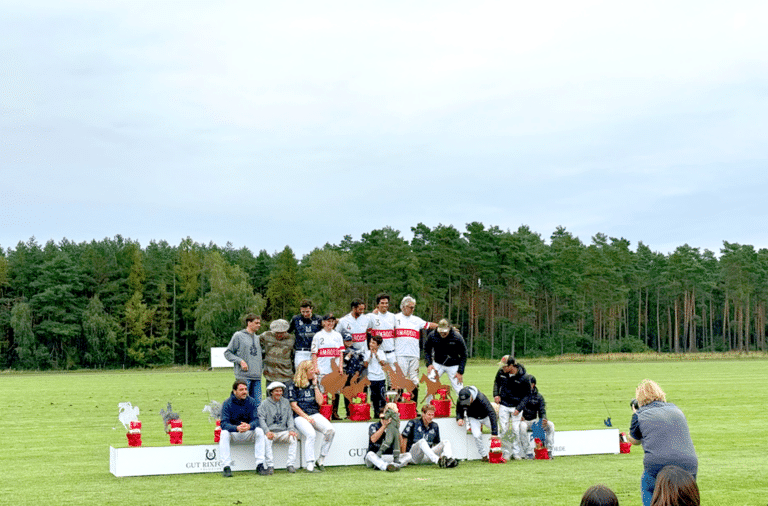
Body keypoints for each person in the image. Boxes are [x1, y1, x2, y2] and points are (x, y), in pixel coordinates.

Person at [628, 379, 698, 506]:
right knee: (686, 497)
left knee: (648, 487)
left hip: (658, 464)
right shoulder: (676, 409)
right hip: (689, 463)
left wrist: (635, 414)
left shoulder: (639, 415)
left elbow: (634, 440)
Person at [287, 360, 336, 472]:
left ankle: (321, 459)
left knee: (330, 430)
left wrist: (315, 385)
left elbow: (320, 402)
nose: (314, 371)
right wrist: (306, 417)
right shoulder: (293, 384)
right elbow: (294, 406)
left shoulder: (313, 383)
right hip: (299, 416)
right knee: (311, 434)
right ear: (305, 371)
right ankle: (310, 464)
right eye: (311, 369)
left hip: (314, 413)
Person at [394, 295, 437, 404]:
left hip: (414, 355)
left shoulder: (416, 320)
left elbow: (429, 325)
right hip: (400, 354)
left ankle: (413, 406)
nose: (412, 309)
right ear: (403, 307)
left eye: (413, 307)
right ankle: (398, 406)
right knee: (400, 380)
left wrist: (444, 326)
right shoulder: (395, 318)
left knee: (414, 380)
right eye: (410, 307)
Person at [219, 380, 267, 477]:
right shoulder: (227, 403)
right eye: (241, 390)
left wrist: (249, 426)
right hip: (234, 433)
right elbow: (223, 423)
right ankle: (226, 467)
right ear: (234, 391)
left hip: (247, 432)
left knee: (259, 431)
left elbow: (256, 420)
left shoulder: (252, 402)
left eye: (246, 389)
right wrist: (236, 428)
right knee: (223, 433)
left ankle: (260, 465)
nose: (245, 392)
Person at [493, 355, 530, 460]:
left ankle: (516, 452)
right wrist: (496, 394)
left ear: (512, 366)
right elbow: (496, 383)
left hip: (516, 407)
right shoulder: (501, 373)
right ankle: (506, 452)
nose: (503, 368)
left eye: (505, 366)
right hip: (504, 404)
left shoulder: (525, 377)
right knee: (504, 429)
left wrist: (519, 408)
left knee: (515, 430)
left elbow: (527, 395)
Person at [257, 381, 298, 474]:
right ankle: (270, 465)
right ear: (271, 392)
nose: (279, 393)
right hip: (271, 432)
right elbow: (261, 419)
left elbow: (290, 418)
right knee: (266, 440)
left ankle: (290, 464)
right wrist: (267, 431)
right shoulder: (264, 404)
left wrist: (291, 430)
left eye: (280, 391)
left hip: (283, 431)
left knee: (293, 438)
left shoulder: (286, 402)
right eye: (276, 391)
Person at [401, 403, 458, 468]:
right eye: (429, 415)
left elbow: (436, 443)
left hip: (428, 456)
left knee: (446, 441)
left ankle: (448, 460)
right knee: (422, 441)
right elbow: (404, 438)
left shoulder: (435, 426)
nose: (431, 417)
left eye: (432, 415)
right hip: (414, 456)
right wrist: (404, 456)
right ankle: (438, 461)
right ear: (423, 414)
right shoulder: (413, 422)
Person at [223, 314, 263, 405]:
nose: (259, 325)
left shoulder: (258, 338)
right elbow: (227, 353)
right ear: (249, 323)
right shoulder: (238, 336)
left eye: (259, 323)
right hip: (244, 377)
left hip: (257, 377)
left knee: (257, 404)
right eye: (256, 323)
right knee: (242, 403)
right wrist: (240, 361)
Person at [311, 313, 344, 419]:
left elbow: (340, 352)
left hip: (334, 369)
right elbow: (314, 353)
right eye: (328, 321)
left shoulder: (337, 335)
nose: (330, 323)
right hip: (322, 368)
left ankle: (334, 412)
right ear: (323, 322)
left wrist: (340, 367)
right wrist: (315, 367)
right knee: (322, 393)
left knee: (335, 392)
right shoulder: (318, 336)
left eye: (332, 321)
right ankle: (322, 413)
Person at [423, 318, 467, 397]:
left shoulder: (457, 337)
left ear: (449, 329)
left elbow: (464, 354)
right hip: (437, 363)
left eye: (445, 332)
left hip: (454, 365)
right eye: (441, 331)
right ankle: (429, 407)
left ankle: (464, 408)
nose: (442, 334)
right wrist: (429, 364)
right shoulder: (432, 335)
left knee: (459, 389)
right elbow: (426, 349)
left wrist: (460, 371)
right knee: (429, 387)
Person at [456, 386, 500, 461]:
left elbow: (491, 413)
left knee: (498, 430)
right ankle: (484, 455)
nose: (466, 404)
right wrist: (459, 418)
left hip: (485, 416)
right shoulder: (460, 399)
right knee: (476, 435)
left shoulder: (481, 397)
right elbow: (459, 410)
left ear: (471, 396)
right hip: (473, 417)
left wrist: (494, 433)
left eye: (467, 401)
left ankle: (497, 451)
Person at [364, 404, 413, 472]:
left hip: (388, 456)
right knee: (370, 454)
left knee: (408, 455)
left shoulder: (393, 426)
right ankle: (386, 466)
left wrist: (397, 429)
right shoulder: (374, 426)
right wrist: (384, 426)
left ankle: (393, 465)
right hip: (376, 456)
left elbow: (400, 445)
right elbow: (373, 439)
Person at [517, 375, 555, 459]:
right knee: (522, 427)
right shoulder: (520, 395)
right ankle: (528, 452)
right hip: (523, 421)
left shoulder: (539, 397)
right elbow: (516, 408)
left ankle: (549, 450)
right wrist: (520, 416)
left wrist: (544, 419)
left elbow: (542, 410)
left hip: (534, 421)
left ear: (533, 385)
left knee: (551, 425)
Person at [288, 300, 323, 370]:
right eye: (303, 312)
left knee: (315, 373)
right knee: (300, 374)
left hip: (315, 351)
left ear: (311, 309)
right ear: (300, 310)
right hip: (301, 351)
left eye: (307, 312)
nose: (305, 314)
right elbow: (288, 332)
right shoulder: (296, 319)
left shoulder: (319, 319)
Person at [339, 333, 366, 418]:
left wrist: (359, 372)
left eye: (350, 340)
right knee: (347, 394)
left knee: (358, 393)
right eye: (347, 340)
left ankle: (358, 411)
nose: (349, 342)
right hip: (346, 375)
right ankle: (348, 413)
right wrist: (347, 356)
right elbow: (342, 363)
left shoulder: (357, 350)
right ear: (343, 341)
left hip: (356, 375)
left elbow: (362, 362)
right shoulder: (342, 351)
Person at [367, 293, 397, 367]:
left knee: (393, 377)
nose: (384, 305)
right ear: (378, 305)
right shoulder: (372, 316)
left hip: (391, 353)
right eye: (382, 303)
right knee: (378, 377)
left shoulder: (393, 316)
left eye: (386, 303)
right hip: (379, 353)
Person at [261, 319, 295, 384]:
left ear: (286, 331)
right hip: (270, 376)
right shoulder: (266, 335)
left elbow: (294, 356)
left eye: (281, 333)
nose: (279, 335)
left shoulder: (292, 339)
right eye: (277, 333)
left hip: (287, 376)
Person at [365, 335, 387, 417]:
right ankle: (375, 412)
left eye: (373, 343)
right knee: (374, 396)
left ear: (378, 345)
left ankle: (382, 412)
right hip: (371, 377)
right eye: (370, 342)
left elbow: (383, 363)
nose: (371, 344)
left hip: (381, 377)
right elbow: (365, 364)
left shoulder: (381, 352)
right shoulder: (367, 353)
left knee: (381, 395)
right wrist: (370, 355)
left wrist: (376, 355)